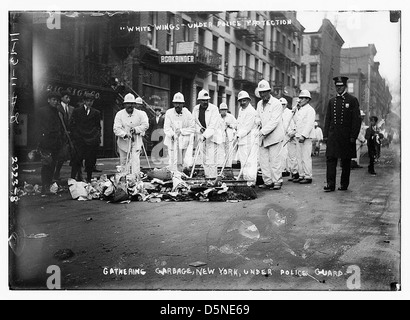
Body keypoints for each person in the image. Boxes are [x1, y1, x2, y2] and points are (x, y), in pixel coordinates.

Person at [323, 76, 361, 192]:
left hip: (346, 137)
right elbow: (327, 119)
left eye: (341, 86)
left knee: (345, 161)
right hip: (333, 136)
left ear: (345, 86)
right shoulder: (332, 101)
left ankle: (344, 184)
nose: (339, 88)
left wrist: (353, 136)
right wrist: (325, 136)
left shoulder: (352, 100)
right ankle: (330, 184)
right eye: (337, 86)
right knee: (330, 160)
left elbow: (356, 120)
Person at [256, 80, 285, 190]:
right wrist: (257, 121)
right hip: (263, 138)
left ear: (269, 91)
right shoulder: (259, 104)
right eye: (261, 92)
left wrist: (263, 131)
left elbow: (274, 121)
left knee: (274, 160)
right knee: (263, 161)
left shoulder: (276, 103)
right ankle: (268, 181)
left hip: (274, 137)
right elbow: (257, 116)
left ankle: (277, 181)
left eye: (264, 92)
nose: (262, 95)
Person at [113, 93, 149, 178]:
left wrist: (136, 129)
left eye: (132, 104)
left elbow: (145, 125)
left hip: (136, 141)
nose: (130, 105)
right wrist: (125, 134)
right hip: (123, 142)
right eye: (128, 104)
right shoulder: (119, 114)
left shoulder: (141, 114)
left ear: (134, 104)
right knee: (124, 162)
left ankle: (135, 179)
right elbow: (116, 129)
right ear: (124, 104)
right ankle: (124, 181)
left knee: (135, 161)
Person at [70, 93, 102, 182]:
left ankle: (88, 179)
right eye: (87, 101)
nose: (89, 103)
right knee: (77, 160)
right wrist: (76, 136)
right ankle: (72, 179)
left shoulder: (96, 113)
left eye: (91, 101)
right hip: (80, 139)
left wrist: (96, 136)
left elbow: (98, 126)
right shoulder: (77, 111)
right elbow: (72, 125)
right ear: (84, 101)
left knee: (90, 161)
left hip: (91, 140)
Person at [37, 91, 65, 194]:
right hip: (46, 142)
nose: (55, 102)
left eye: (57, 100)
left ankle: (48, 184)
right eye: (53, 100)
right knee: (46, 165)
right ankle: (44, 186)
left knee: (53, 164)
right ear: (48, 100)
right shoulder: (42, 111)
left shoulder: (59, 112)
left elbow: (61, 127)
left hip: (56, 143)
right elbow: (37, 127)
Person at [192, 89, 223, 178]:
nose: (205, 102)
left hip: (212, 137)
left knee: (212, 159)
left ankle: (213, 178)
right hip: (202, 136)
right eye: (203, 100)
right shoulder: (196, 109)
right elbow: (193, 122)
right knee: (204, 159)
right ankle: (207, 176)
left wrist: (205, 135)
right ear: (199, 101)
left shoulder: (214, 109)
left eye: (207, 100)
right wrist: (200, 129)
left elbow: (213, 126)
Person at [289, 90, 316, 184]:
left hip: (306, 137)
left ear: (308, 99)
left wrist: (303, 135)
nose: (300, 100)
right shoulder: (299, 110)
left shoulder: (310, 110)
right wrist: (294, 111)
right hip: (298, 136)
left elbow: (309, 124)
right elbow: (296, 122)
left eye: (303, 98)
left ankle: (308, 176)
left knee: (306, 157)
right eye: (300, 98)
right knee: (299, 157)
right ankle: (301, 175)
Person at [164, 92, 195, 171]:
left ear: (183, 104)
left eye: (179, 103)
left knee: (183, 162)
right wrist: (173, 135)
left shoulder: (187, 113)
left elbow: (192, 127)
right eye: (176, 103)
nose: (177, 105)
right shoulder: (169, 113)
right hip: (172, 141)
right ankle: (173, 176)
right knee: (172, 160)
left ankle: (181, 177)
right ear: (173, 103)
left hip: (184, 141)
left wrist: (181, 131)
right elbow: (166, 128)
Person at [236, 90, 259, 186]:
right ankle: (245, 179)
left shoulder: (251, 111)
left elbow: (247, 127)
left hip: (250, 140)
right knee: (243, 160)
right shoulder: (241, 110)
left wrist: (238, 135)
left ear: (249, 100)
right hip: (242, 140)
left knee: (250, 161)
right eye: (240, 101)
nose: (242, 103)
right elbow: (239, 124)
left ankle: (251, 181)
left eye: (244, 100)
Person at [54, 90, 75, 181]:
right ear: (62, 98)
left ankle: (74, 176)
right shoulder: (57, 108)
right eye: (66, 97)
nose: (68, 99)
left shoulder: (72, 109)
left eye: (69, 98)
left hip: (70, 135)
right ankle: (56, 173)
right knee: (60, 156)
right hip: (60, 135)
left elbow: (73, 121)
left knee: (73, 155)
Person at [218, 102, 237, 179]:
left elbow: (236, 125)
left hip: (228, 137)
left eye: (225, 110)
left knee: (229, 153)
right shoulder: (217, 117)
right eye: (222, 110)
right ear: (220, 110)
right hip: (220, 138)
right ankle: (221, 169)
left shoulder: (231, 117)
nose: (224, 111)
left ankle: (228, 168)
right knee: (221, 153)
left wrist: (230, 125)